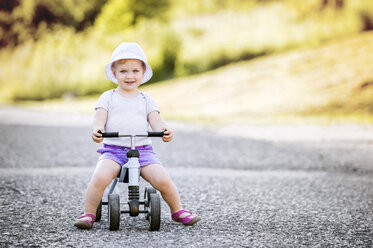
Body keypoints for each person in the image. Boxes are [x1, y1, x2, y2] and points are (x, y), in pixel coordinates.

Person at [74, 42, 200, 229]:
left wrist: (164, 130)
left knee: (162, 179)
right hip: (113, 151)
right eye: (123, 71)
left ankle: (178, 210)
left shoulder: (147, 100)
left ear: (143, 73)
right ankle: (89, 214)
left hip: (143, 151)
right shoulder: (107, 97)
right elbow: (99, 118)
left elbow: (156, 120)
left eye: (135, 71)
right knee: (100, 177)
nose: (129, 76)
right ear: (114, 73)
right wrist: (97, 129)